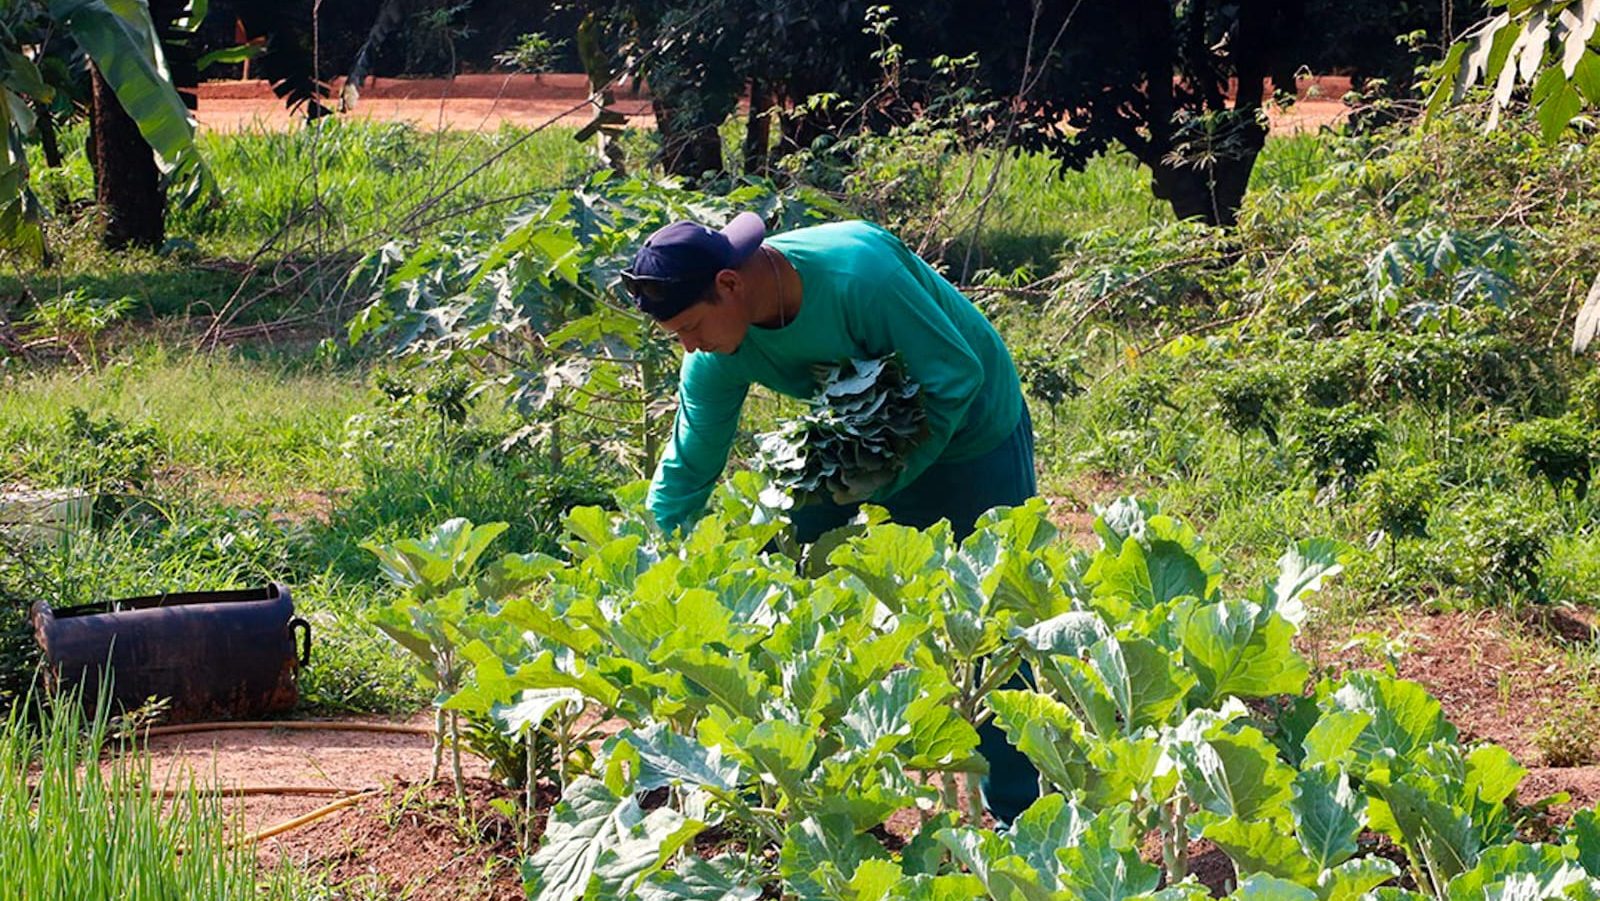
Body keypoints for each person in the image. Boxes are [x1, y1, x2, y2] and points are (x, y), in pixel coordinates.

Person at [622, 212, 1043, 821]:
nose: (689, 345)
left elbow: (956, 376)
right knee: (776, 593)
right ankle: (766, 781)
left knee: (989, 624)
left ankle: (1016, 815)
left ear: (730, 285)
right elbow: (688, 466)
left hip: (974, 434)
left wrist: (889, 479)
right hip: (858, 451)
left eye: (690, 327)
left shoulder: (857, 273)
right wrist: (656, 562)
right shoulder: (716, 352)